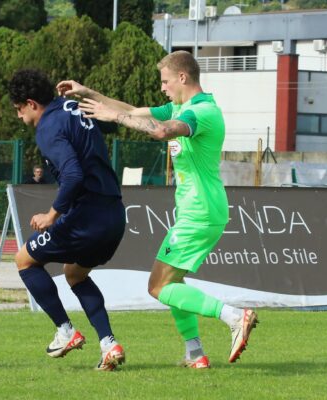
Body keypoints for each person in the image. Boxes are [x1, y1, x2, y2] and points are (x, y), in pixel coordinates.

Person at [57, 50, 258, 369]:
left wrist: (116, 119)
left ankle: (235, 316)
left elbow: (162, 130)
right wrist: (88, 93)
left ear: (182, 77)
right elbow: (133, 111)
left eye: (165, 81)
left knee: (159, 286)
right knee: (173, 283)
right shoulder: (180, 105)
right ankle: (195, 353)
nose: (162, 88)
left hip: (200, 211)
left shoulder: (202, 111)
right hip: (200, 210)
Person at [9, 69, 126, 371]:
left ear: (31, 103)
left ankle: (65, 330)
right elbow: (113, 121)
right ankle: (109, 344)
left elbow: (73, 175)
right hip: (114, 213)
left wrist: (51, 215)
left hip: (86, 215)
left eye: (18, 108)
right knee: (75, 274)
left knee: (24, 259)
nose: (18, 116)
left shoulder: (47, 128)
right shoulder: (70, 106)